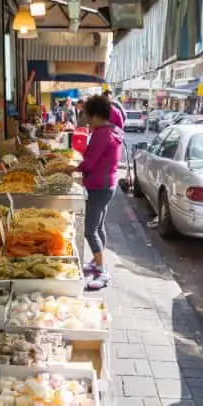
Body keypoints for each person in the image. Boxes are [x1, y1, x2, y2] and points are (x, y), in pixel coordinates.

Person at [79, 94, 123, 290]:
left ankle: (103, 272)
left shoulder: (101, 134)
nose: (87, 121)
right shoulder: (113, 130)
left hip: (98, 186)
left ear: (96, 115)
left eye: (88, 116)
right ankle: (97, 262)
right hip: (108, 185)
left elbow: (89, 163)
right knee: (98, 227)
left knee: (90, 230)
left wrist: (72, 168)